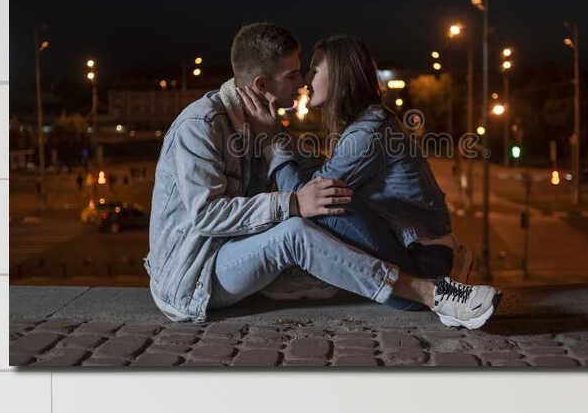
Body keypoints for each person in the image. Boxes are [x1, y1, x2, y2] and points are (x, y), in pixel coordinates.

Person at [144, 22, 496, 330]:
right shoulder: (201, 126)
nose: (301, 82)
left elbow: (309, 178)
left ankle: (429, 277)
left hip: (232, 253)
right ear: (262, 84)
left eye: (307, 71)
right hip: (193, 276)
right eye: (293, 74)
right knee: (296, 231)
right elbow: (207, 215)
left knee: (320, 221)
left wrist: (276, 144)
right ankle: (432, 293)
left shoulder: (258, 123)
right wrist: (293, 200)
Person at [273, 33, 459, 285]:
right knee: (328, 193)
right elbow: (324, 171)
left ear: (341, 75)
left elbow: (303, 199)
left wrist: (273, 143)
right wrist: (292, 147)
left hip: (424, 263)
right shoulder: (370, 123)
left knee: (323, 206)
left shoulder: (366, 135)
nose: (306, 79)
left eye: (314, 70)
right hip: (423, 251)